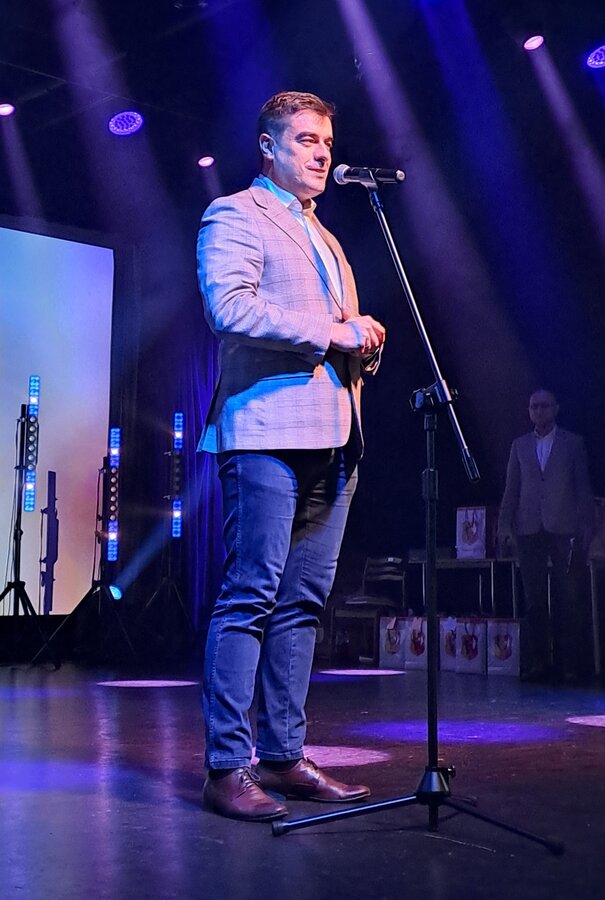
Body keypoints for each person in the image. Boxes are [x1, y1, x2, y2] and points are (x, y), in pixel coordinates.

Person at [196, 91, 386, 821]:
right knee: (252, 592)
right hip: (265, 433)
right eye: (305, 139)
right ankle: (226, 767)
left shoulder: (327, 237)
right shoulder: (235, 214)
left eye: (327, 142)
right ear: (268, 147)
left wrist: (363, 341)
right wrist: (333, 331)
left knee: (304, 601)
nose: (321, 153)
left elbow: (336, 336)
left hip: (335, 435)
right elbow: (230, 308)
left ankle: (283, 754)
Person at [497, 389, 593, 681]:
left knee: (568, 598)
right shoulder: (520, 445)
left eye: (544, 406)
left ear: (556, 408)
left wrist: (587, 527)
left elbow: (582, 488)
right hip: (529, 529)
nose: (539, 411)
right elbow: (511, 489)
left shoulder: (573, 443)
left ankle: (570, 665)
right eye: (534, 407)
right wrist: (504, 527)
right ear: (529, 411)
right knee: (534, 600)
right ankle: (539, 662)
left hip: (563, 528)